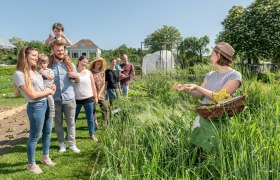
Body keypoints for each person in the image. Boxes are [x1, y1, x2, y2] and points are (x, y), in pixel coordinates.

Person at [173, 42, 242, 154]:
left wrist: (197, 87)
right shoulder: (210, 74)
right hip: (203, 116)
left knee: (211, 151)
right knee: (195, 149)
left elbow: (220, 97)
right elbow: (199, 94)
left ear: (219, 55)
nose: (210, 57)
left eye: (212, 54)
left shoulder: (234, 75)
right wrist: (185, 88)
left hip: (218, 119)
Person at [13, 46, 56, 174]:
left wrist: (50, 88)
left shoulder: (36, 71)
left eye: (37, 56)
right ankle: (31, 164)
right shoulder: (19, 73)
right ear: (25, 56)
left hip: (46, 103)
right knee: (35, 136)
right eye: (33, 56)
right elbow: (32, 95)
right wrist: (48, 91)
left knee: (48, 132)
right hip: (36, 107)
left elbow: (41, 89)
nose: (36, 58)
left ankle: (45, 157)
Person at [49, 40, 81, 153]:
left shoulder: (70, 64)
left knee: (71, 122)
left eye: (62, 50)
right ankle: (62, 144)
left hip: (69, 98)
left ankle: (72, 144)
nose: (60, 52)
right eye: (58, 50)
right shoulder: (48, 65)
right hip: (55, 99)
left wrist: (75, 76)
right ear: (53, 51)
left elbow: (78, 80)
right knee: (58, 123)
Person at [74, 56, 98, 141]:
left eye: (86, 62)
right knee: (73, 118)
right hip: (76, 99)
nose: (84, 63)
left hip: (88, 98)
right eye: (83, 61)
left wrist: (96, 97)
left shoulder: (88, 72)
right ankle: (70, 135)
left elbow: (93, 85)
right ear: (79, 61)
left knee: (90, 117)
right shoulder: (73, 71)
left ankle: (92, 134)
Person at [90, 57, 110, 127]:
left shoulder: (102, 72)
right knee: (92, 109)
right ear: (94, 63)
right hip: (91, 93)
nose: (99, 63)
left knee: (105, 107)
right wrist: (95, 94)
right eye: (97, 61)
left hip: (100, 94)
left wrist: (99, 94)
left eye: (100, 62)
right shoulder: (90, 72)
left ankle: (105, 123)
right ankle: (95, 122)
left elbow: (104, 84)